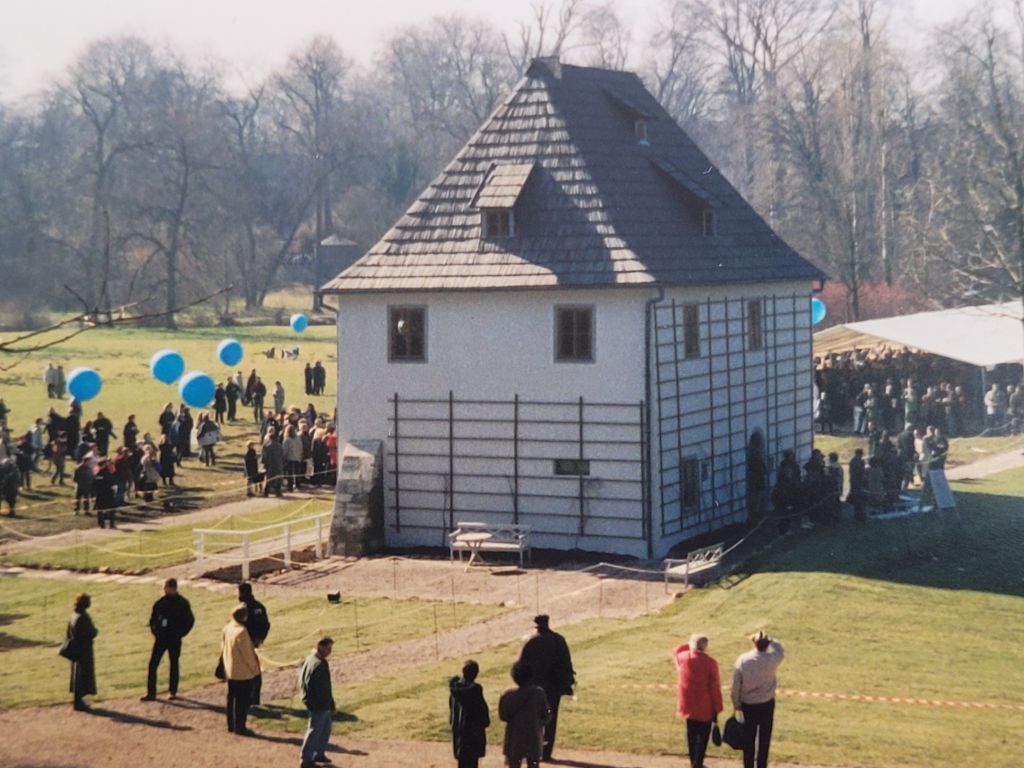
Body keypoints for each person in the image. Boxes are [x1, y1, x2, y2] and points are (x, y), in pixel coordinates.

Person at [518, 615, 574, 762]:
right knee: (550, 719)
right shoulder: (558, 640)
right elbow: (567, 664)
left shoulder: (529, 641)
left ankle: (533, 750)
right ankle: (546, 752)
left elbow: (520, 666)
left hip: (533, 688)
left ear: (536, 625)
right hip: (554, 688)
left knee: (533, 719)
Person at [731, 631, 785, 768]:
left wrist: (736, 703)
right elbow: (780, 650)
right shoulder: (772, 659)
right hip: (766, 704)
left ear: (754, 643)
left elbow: (736, 684)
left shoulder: (743, 660)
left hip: (748, 704)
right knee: (764, 738)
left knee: (748, 738)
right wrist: (771, 640)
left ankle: (748, 765)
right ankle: (762, 765)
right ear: (767, 644)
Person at [674, 634, 723, 768]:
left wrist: (690, 645)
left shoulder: (683, 658)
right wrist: (717, 706)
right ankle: (698, 763)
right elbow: (714, 687)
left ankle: (693, 762)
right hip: (705, 706)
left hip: (688, 704)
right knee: (703, 737)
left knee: (691, 733)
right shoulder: (710, 663)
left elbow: (677, 651)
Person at [142, 578, 195, 701]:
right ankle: (151, 692)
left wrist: (181, 633)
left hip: (174, 638)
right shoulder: (160, 603)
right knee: (153, 664)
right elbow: (153, 619)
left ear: (172, 588)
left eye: (166, 587)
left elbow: (190, 620)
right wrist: (155, 631)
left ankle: (172, 691)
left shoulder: (182, 603)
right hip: (161, 638)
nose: (164, 590)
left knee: (174, 663)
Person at [499, 661, 549, 768]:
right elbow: (546, 716)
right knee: (533, 764)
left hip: (514, 738)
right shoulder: (538, 693)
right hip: (533, 737)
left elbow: (503, 716)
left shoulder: (507, 695)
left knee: (514, 764)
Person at [220, 603, 260, 736]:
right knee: (242, 700)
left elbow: (222, 647)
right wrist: (254, 667)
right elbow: (247, 654)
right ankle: (240, 726)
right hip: (242, 672)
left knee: (231, 698)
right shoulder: (242, 632)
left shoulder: (227, 628)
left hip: (230, 669)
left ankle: (231, 725)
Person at [299, 637, 336, 768]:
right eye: (328, 648)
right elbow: (324, 688)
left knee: (325, 728)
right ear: (320, 647)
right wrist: (329, 704)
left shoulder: (310, 659)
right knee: (314, 730)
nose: (330, 651)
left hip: (315, 701)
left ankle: (318, 754)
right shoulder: (319, 664)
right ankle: (306, 759)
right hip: (319, 704)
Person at [450, 659, 490, 768]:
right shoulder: (475, 691)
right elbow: (481, 712)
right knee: (472, 763)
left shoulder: (454, 690)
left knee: (462, 762)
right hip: (472, 733)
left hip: (459, 731)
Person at [238, 582, 271, 705]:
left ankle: (248, 699)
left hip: (245, 645)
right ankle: (255, 699)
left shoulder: (242, 609)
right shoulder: (259, 606)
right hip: (254, 643)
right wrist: (260, 638)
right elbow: (266, 624)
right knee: (256, 672)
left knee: (245, 673)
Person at [65, 592, 98, 711]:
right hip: (84, 650)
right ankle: (78, 702)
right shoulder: (83, 617)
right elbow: (91, 632)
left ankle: (78, 700)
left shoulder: (74, 615)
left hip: (76, 649)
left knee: (77, 675)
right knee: (82, 676)